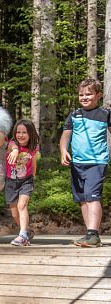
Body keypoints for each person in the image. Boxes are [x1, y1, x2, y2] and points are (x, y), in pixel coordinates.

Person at [60, 78, 111, 248]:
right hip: (77, 163)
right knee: (82, 198)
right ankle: (89, 233)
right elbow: (66, 135)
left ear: (98, 95)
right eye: (81, 94)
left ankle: (94, 234)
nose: (84, 97)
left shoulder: (105, 114)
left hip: (97, 162)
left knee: (92, 196)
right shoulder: (74, 115)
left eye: (88, 94)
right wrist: (64, 151)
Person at [5, 119, 40, 246]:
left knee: (22, 206)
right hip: (11, 182)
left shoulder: (33, 146)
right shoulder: (12, 143)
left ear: (30, 133)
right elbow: (12, 146)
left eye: (24, 132)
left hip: (26, 180)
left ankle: (23, 235)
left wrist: (33, 177)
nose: (21, 135)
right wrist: (15, 150)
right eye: (18, 132)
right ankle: (26, 231)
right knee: (14, 212)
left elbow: (34, 161)